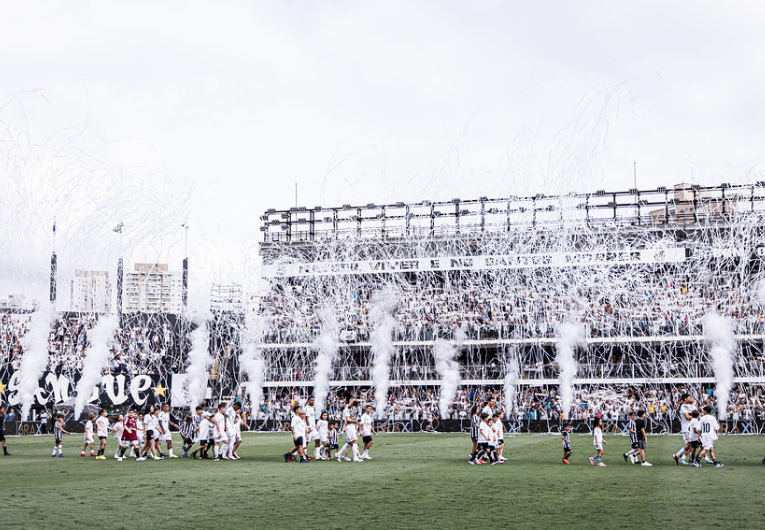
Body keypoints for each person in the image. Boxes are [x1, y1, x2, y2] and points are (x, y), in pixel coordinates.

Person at [337, 397, 363, 463]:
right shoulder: (347, 409)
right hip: (349, 426)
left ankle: (338, 454)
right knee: (355, 441)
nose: (355, 402)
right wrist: (356, 421)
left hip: (352, 426)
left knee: (349, 443)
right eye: (354, 401)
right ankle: (355, 457)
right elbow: (348, 419)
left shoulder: (353, 409)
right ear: (350, 401)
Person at [673, 394, 696, 465]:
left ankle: (677, 456)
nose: (690, 399)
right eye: (689, 398)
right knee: (691, 445)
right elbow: (687, 417)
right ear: (685, 399)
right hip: (687, 428)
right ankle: (692, 460)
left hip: (690, 427)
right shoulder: (683, 407)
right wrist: (696, 417)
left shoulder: (688, 406)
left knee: (690, 445)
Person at [304, 396, 320, 460]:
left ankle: (317, 455)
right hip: (309, 428)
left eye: (313, 400)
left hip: (313, 427)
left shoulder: (312, 408)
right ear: (308, 401)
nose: (312, 401)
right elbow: (306, 418)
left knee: (317, 439)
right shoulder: (307, 408)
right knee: (306, 442)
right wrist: (308, 427)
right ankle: (304, 455)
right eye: (311, 400)